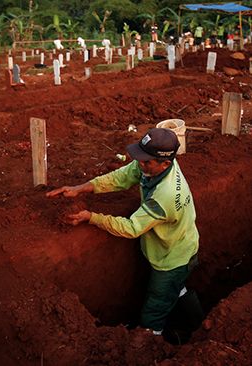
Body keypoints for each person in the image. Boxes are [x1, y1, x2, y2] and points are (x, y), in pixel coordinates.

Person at [46, 128, 201, 337]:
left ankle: (151, 341)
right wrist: (81, 188)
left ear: (165, 163)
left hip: (173, 257)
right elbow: (122, 177)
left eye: (146, 161)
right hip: (177, 241)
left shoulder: (165, 195)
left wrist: (92, 217)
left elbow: (131, 228)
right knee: (174, 289)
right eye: (141, 158)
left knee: (155, 308)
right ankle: (199, 324)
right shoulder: (156, 166)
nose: (140, 164)